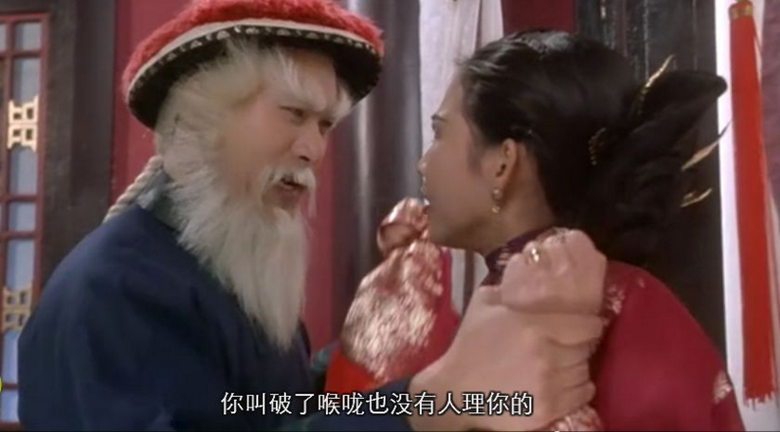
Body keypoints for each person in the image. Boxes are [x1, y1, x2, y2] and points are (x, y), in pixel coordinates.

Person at [17, 1, 604, 431]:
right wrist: (431, 403)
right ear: (200, 120)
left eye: (324, 125)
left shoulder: (224, 267)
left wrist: (359, 346)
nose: (313, 149)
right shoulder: (112, 294)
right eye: (293, 114)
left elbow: (269, 411)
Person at [329, 29, 746, 430]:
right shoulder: (512, 297)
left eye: (440, 133)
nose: (423, 164)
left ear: (503, 163)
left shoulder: (626, 314)